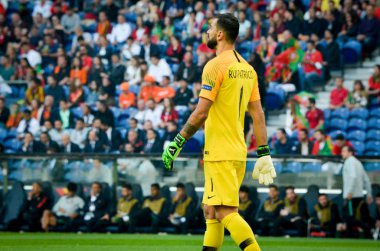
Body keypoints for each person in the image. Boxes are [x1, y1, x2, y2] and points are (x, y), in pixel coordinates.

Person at [162, 13, 276, 251]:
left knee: (225, 212)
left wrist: (177, 142)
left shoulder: (214, 66)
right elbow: (258, 114)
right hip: (237, 152)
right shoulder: (248, 69)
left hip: (219, 152)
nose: (206, 31)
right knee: (211, 211)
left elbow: (201, 112)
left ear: (220, 34)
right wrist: (263, 152)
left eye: (210, 27)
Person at [337, 145, 373, 238]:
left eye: (344, 151)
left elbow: (353, 177)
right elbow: (366, 180)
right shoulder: (358, 163)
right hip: (358, 195)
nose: (342, 153)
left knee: (348, 217)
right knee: (350, 217)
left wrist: (350, 192)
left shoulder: (349, 162)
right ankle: (348, 236)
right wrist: (369, 194)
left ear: (350, 152)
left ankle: (367, 228)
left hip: (351, 195)